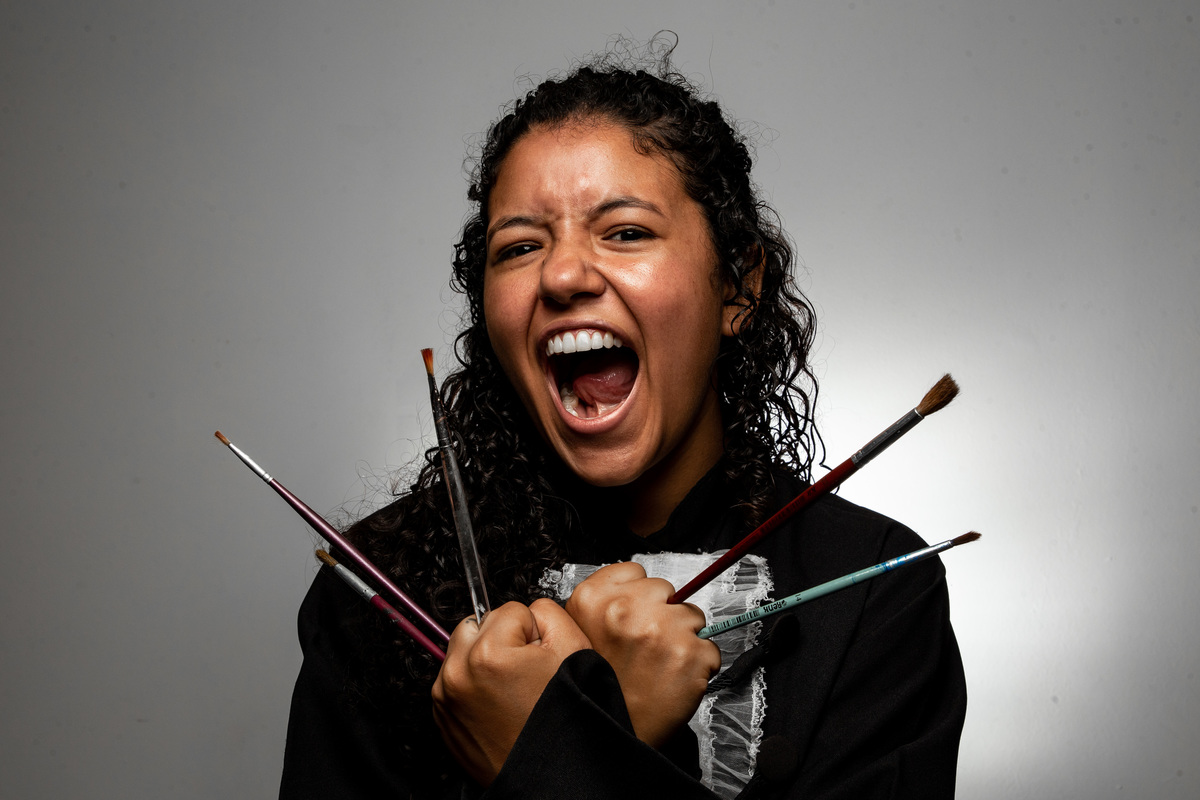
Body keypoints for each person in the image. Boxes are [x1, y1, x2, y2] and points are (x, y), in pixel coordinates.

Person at [279, 42, 966, 800]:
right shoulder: (377, 587)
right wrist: (609, 729)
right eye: (520, 246)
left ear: (738, 287)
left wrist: (570, 748)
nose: (562, 274)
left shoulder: (871, 587)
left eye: (627, 232)